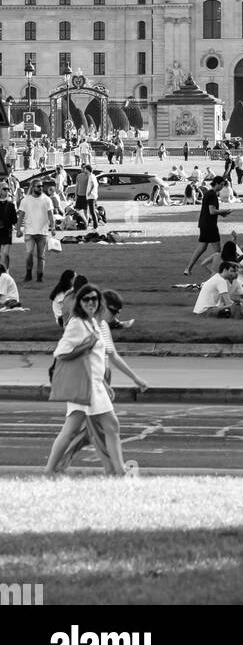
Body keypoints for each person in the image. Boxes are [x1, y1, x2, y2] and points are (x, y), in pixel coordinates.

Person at [45, 283, 148, 477]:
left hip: (95, 383)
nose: (91, 302)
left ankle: (53, 470)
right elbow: (61, 352)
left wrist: (110, 381)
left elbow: (103, 356)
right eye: (86, 299)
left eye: (94, 299)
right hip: (86, 384)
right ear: (80, 302)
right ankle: (116, 471)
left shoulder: (94, 323)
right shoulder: (78, 323)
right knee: (102, 427)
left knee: (80, 429)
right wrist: (86, 344)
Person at [184, 176, 230, 277]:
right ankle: (219, 273)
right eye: (221, 185)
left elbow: (210, 211)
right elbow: (212, 211)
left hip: (204, 224)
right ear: (216, 183)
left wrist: (221, 214)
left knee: (201, 248)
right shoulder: (212, 194)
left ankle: (188, 268)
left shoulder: (209, 193)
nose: (222, 187)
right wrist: (223, 211)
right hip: (210, 225)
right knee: (218, 251)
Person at [19, 177, 54, 283]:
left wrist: (53, 228)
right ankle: (28, 274)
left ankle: (39, 276)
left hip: (43, 232)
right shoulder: (25, 200)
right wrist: (18, 229)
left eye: (42, 186)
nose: (41, 188)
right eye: (38, 186)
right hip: (29, 232)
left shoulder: (46, 199)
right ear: (32, 187)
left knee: (41, 256)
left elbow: (51, 215)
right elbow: (21, 215)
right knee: (29, 254)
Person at [0, 180, 18, 270]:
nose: (6, 191)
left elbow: (15, 220)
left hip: (7, 232)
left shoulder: (10, 205)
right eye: (4, 189)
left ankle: (7, 271)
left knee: (5, 253)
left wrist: (18, 229)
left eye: (8, 189)